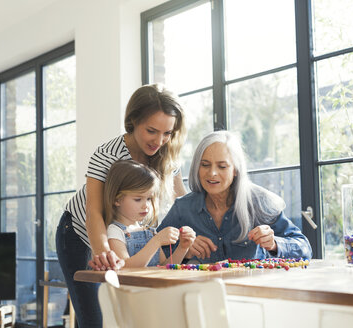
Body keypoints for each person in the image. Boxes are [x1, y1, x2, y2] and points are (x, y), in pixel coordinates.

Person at [55, 84, 187, 327]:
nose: (160, 140)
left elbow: (182, 200)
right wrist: (102, 252)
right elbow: (94, 212)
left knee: (129, 315)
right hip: (80, 233)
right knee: (96, 318)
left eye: (167, 133)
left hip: (126, 236)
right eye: (151, 130)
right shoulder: (107, 155)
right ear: (133, 121)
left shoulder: (168, 155)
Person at [157, 130, 312, 263]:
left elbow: (304, 248)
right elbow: (153, 250)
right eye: (205, 165)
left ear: (236, 170)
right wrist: (183, 250)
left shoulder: (259, 202)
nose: (212, 173)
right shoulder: (183, 208)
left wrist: (274, 244)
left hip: (254, 292)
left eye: (222, 166)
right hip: (204, 294)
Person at [104, 160, 195, 267]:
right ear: (117, 200)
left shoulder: (150, 233)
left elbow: (164, 267)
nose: (146, 205)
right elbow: (125, 267)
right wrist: (156, 242)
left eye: (149, 199)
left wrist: (182, 248)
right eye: (138, 199)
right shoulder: (115, 231)